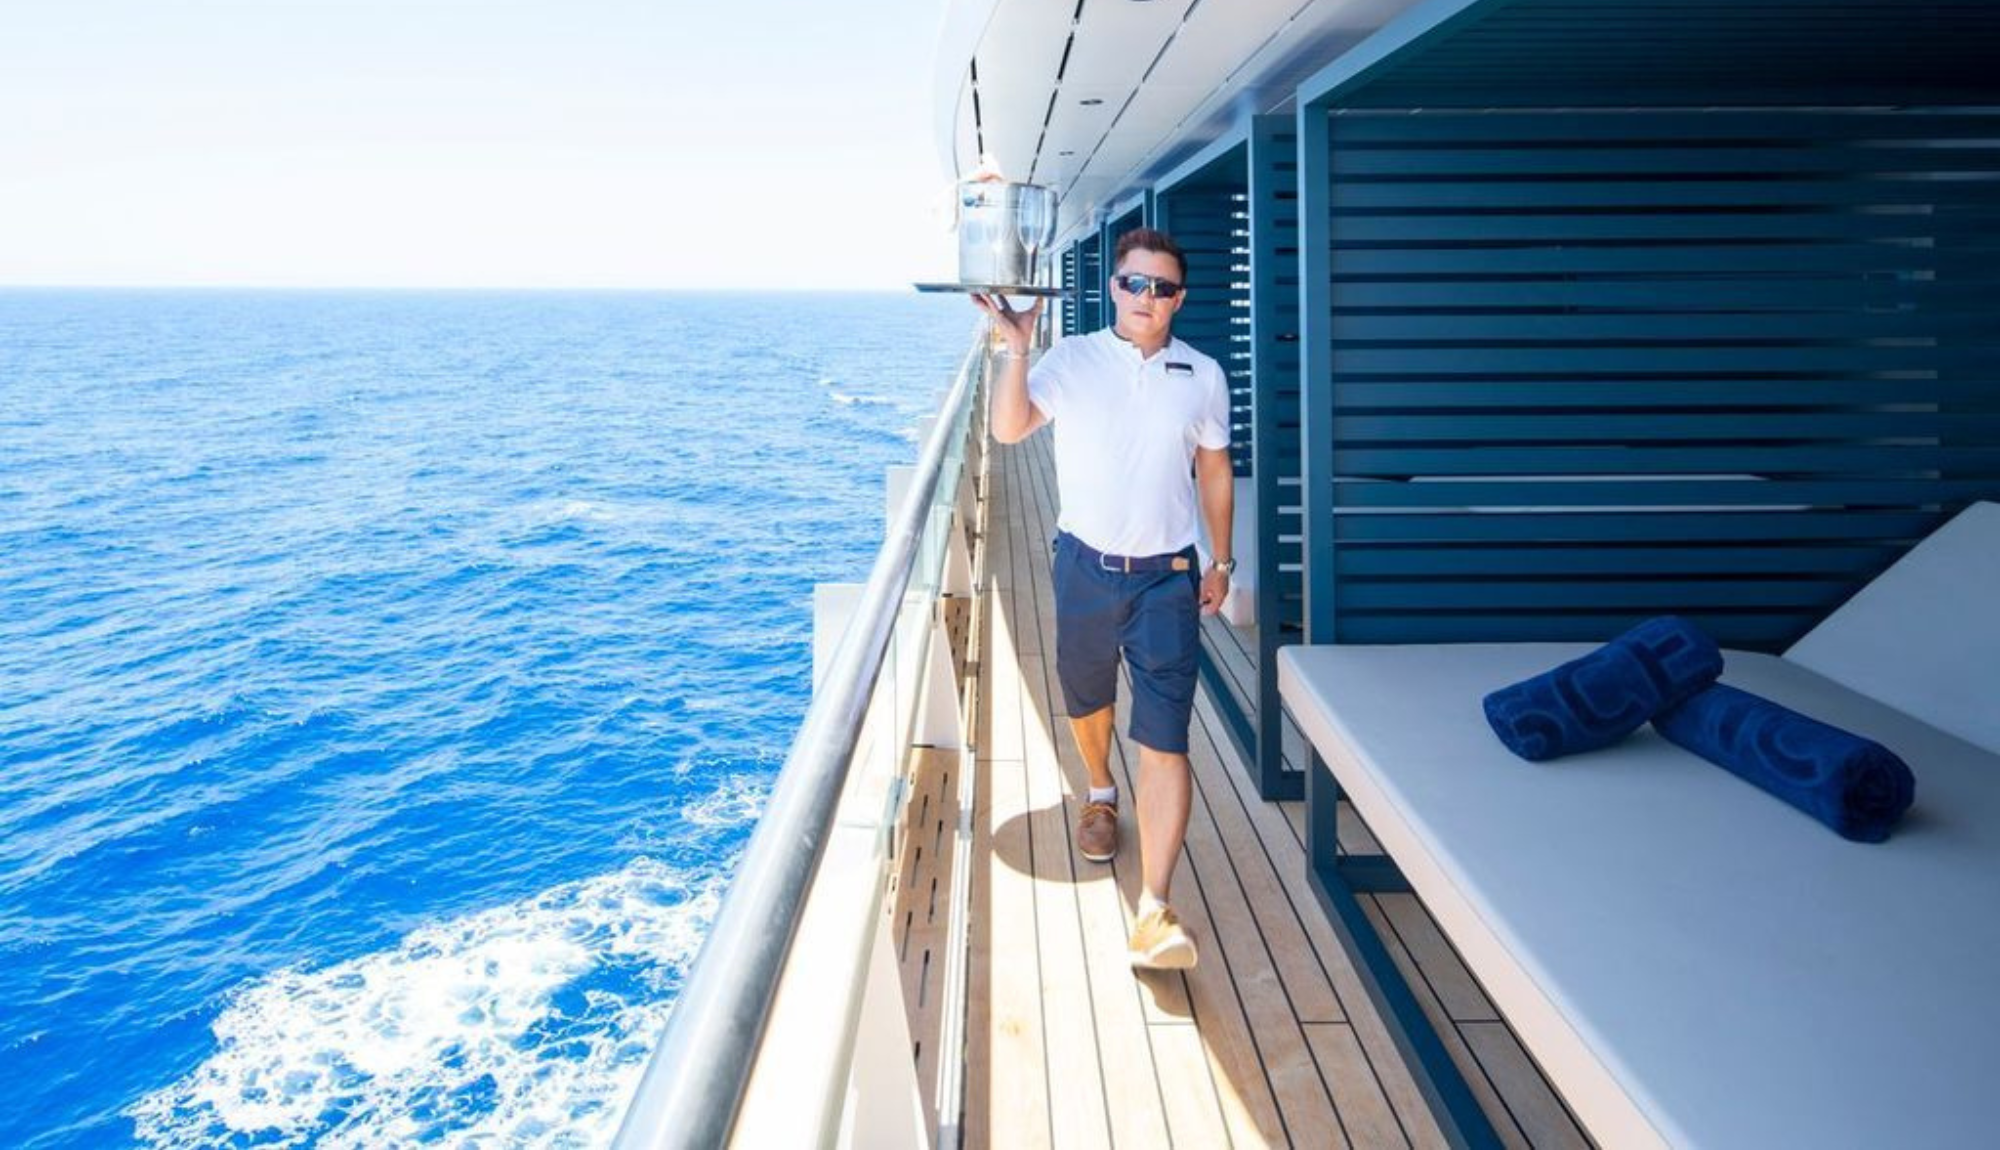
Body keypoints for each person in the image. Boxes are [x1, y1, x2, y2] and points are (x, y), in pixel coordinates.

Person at [972, 227, 1233, 971]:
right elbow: (1010, 426)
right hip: (1084, 565)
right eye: (1133, 283)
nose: (1145, 297)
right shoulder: (1072, 358)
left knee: (1167, 737)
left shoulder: (1203, 375)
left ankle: (1154, 905)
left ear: (1180, 298)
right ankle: (1098, 790)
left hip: (1168, 577)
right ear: (1112, 287)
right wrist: (1017, 348)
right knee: (1087, 701)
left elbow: (1214, 472)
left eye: (1160, 287)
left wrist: (1223, 560)